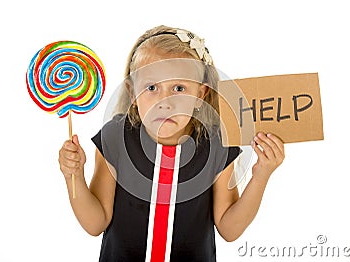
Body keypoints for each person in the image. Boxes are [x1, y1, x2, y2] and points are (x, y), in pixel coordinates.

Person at [58, 25, 285, 262]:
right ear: (132, 92)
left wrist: (261, 175)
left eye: (179, 88)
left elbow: (230, 229)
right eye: (152, 87)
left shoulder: (218, 144)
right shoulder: (115, 138)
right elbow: (95, 223)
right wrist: (73, 175)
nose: (164, 102)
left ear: (200, 95)